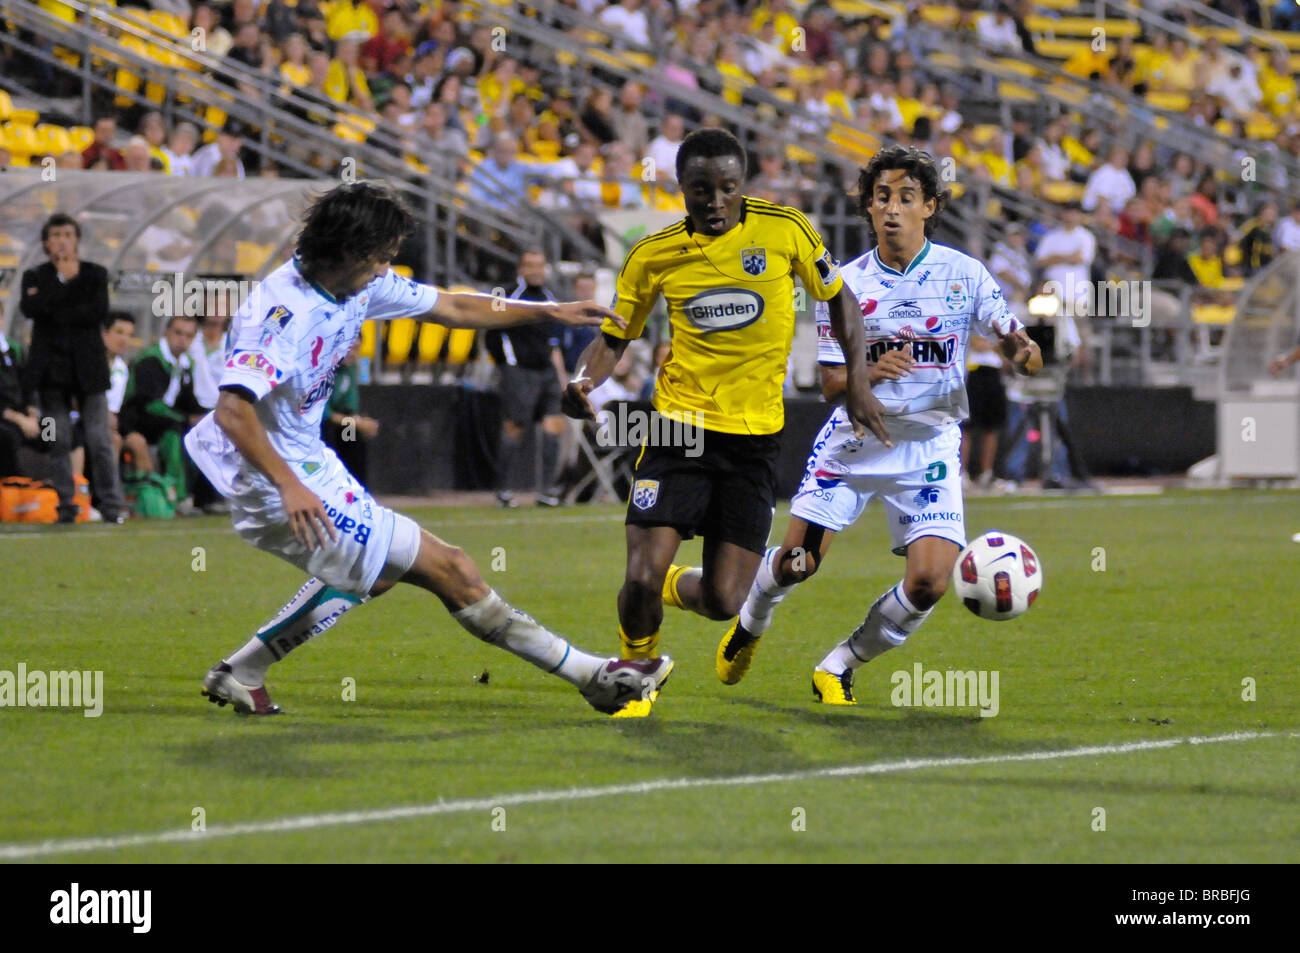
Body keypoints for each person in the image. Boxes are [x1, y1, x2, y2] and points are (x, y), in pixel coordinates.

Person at [185, 182, 670, 717]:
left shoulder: (356, 282)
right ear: (348, 250)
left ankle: (244, 670)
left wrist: (549, 310)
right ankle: (594, 676)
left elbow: (454, 306)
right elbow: (233, 410)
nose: (384, 269)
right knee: (452, 568)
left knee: (387, 572)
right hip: (273, 477)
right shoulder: (278, 313)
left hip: (308, 461)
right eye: (380, 258)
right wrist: (289, 485)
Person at [562, 128, 888, 717]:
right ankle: (634, 677)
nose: (714, 202)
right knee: (638, 575)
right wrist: (585, 381)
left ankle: (671, 585)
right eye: (699, 191)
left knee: (722, 599)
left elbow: (840, 298)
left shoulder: (786, 229)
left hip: (754, 439)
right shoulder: (652, 254)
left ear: (744, 186)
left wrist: (858, 381)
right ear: (680, 189)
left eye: (727, 189)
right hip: (676, 430)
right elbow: (614, 337)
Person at [723, 145, 1041, 704]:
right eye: (882, 197)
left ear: (930, 207)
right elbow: (827, 384)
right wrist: (865, 372)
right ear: (868, 208)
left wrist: (1022, 349)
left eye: (906, 198)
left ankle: (839, 664)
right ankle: (752, 619)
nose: (892, 208)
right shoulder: (842, 285)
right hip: (855, 444)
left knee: (929, 583)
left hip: (931, 448)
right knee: (797, 565)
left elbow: (1017, 341)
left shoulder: (964, 274)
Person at [20, 213, 128, 523]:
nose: (62, 240)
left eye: (68, 234)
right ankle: (66, 504)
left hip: (88, 371)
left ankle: (111, 504)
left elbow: (95, 312)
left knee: (100, 439)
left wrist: (54, 300)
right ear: (46, 242)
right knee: (58, 439)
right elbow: (32, 308)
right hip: (51, 373)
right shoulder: (34, 276)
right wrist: (63, 282)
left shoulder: (96, 274)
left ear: (77, 239)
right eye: (55, 235)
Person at [486, 248, 568, 508]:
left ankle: (547, 491)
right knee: (515, 427)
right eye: (530, 265)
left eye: (540, 265)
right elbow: (491, 332)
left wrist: (561, 375)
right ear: (521, 269)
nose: (536, 271)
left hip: (547, 371)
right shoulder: (508, 295)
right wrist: (507, 364)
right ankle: (503, 489)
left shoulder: (549, 296)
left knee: (554, 425)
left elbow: (554, 339)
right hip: (519, 372)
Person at [119, 313, 209, 511]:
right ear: (167, 332)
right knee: (174, 432)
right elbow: (149, 403)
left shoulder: (186, 364)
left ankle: (207, 497)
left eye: (188, 335)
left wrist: (207, 415)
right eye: (178, 333)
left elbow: (187, 400)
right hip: (136, 420)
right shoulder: (149, 360)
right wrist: (187, 418)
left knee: (205, 432)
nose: (182, 340)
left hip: (166, 419)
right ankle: (177, 495)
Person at [0, 300, 42, 478]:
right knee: (8, 437)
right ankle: (13, 489)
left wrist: (32, 414)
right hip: (5, 418)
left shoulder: (14, 349)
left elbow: (29, 386)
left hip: (25, 417)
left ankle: (62, 489)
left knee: (54, 431)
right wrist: (19, 420)